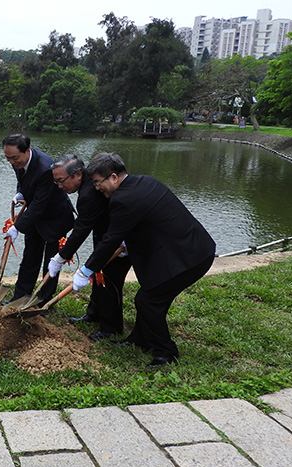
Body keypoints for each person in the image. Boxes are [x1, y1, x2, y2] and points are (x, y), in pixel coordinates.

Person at [74, 152, 216, 367]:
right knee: (150, 293)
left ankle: (166, 352)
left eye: (97, 182)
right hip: (187, 248)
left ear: (113, 177)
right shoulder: (144, 181)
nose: (96, 188)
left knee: (148, 301)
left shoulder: (122, 199)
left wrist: (86, 270)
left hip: (189, 256)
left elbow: (111, 239)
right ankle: (140, 339)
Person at [46, 154, 132, 341]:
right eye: (56, 182)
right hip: (104, 236)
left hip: (118, 242)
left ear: (77, 174)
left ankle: (111, 328)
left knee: (109, 282)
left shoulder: (88, 194)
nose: (60, 186)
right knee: (98, 274)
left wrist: (60, 257)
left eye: (61, 181)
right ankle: (93, 314)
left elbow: (81, 229)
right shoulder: (87, 185)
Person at [2, 134, 74, 305]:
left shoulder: (45, 168)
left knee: (51, 263)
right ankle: (20, 297)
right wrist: (20, 192)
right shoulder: (17, 162)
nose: (11, 161)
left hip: (54, 218)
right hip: (34, 218)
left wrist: (17, 227)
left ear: (27, 151)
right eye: (7, 158)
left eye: (14, 158)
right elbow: (24, 181)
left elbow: (40, 205)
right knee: (30, 258)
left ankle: (43, 300)